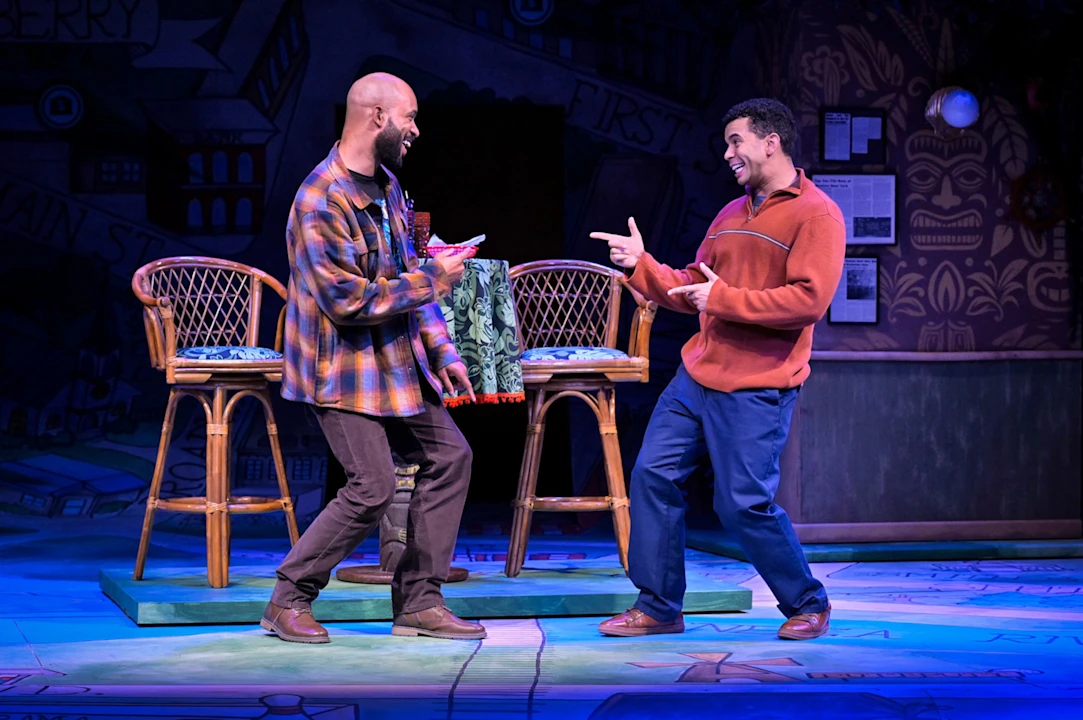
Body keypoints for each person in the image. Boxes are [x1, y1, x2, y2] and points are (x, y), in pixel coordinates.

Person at [590, 98, 845, 640]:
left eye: (736, 141)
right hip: (696, 375)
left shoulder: (816, 213)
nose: (727, 152)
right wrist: (643, 266)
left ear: (770, 142)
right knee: (652, 476)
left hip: (759, 381)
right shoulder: (732, 213)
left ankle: (808, 601)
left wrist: (722, 298)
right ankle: (659, 605)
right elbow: (694, 284)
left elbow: (808, 300)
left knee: (742, 503)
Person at [261, 73, 485, 644]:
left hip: (394, 366)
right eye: (409, 117)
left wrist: (444, 351)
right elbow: (345, 300)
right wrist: (434, 280)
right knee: (371, 486)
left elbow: (410, 275)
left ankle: (419, 600)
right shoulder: (320, 200)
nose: (416, 131)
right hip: (339, 369)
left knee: (451, 457)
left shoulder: (387, 187)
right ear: (378, 117)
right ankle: (288, 599)